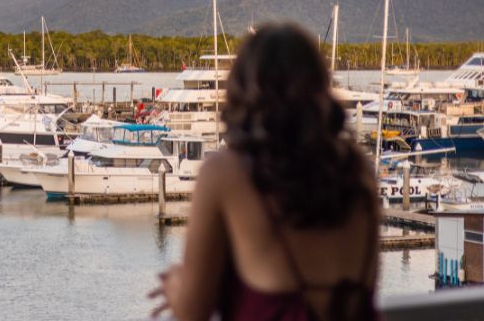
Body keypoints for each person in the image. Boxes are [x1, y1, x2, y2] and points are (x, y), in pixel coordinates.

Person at [149, 23, 380, 321]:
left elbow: (193, 312)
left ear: (241, 89)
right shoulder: (358, 169)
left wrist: (176, 285)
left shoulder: (225, 173)